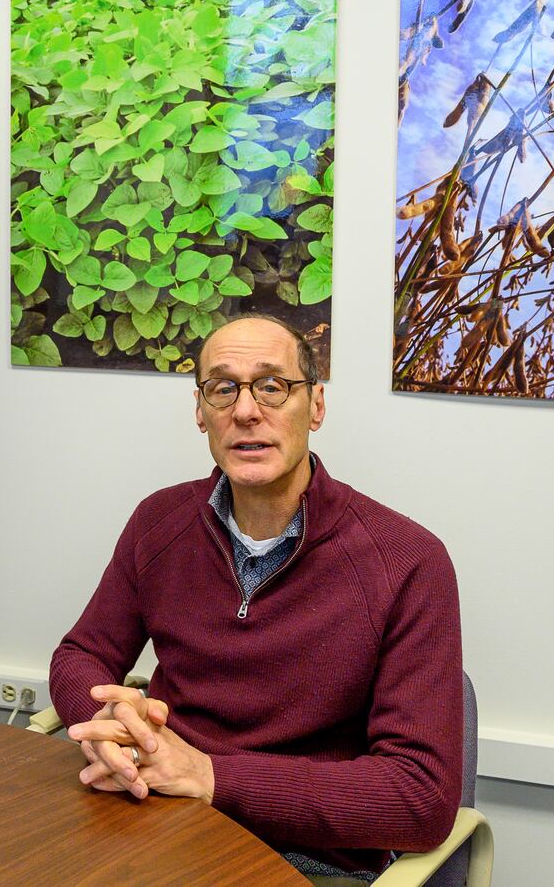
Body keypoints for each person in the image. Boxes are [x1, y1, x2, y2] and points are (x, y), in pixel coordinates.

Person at [50, 314, 462, 883]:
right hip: (153, 819)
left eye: (272, 385)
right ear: (201, 412)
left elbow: (420, 798)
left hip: (303, 858)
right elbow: (80, 655)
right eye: (224, 389)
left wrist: (210, 776)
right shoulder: (159, 522)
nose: (246, 410)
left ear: (316, 405)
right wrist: (115, 727)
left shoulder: (407, 560)